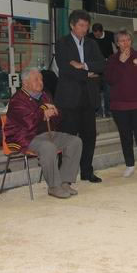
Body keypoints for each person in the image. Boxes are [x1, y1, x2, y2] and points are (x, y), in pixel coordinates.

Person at [5, 68, 82, 199]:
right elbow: (28, 122)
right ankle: (54, 186)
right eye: (36, 80)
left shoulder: (45, 95)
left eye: (41, 79)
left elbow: (58, 119)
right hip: (26, 137)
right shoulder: (17, 100)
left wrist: (55, 112)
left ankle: (64, 182)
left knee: (75, 141)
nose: (40, 82)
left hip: (48, 134)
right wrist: (43, 113)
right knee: (48, 147)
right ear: (25, 83)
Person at [54, 10, 105, 183]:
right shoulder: (62, 43)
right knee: (67, 138)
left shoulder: (91, 43)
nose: (84, 29)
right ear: (72, 25)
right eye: (81, 25)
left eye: (86, 26)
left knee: (89, 137)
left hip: (88, 97)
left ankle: (87, 171)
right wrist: (88, 73)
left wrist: (83, 65)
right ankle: (64, 176)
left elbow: (101, 65)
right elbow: (65, 69)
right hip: (69, 99)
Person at [105, 30, 137, 180]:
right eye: (122, 41)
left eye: (128, 40)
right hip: (119, 106)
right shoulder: (112, 59)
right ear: (117, 43)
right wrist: (121, 62)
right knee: (125, 136)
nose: (125, 43)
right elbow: (110, 80)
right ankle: (130, 165)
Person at [87, 22, 116, 117]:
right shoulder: (89, 36)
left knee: (108, 90)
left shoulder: (110, 35)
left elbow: (118, 46)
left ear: (102, 31)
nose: (97, 36)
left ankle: (108, 111)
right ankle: (98, 111)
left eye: (98, 35)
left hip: (108, 66)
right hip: (95, 66)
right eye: (95, 35)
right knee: (96, 90)